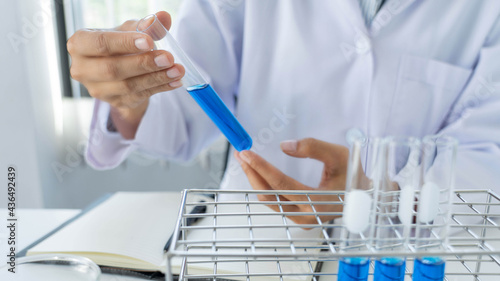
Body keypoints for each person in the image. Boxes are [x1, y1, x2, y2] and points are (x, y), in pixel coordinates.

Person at [68, 1, 500, 224]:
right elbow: (180, 119)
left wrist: (378, 192)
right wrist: (130, 92)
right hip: (254, 238)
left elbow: (487, 154)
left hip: (401, 247)